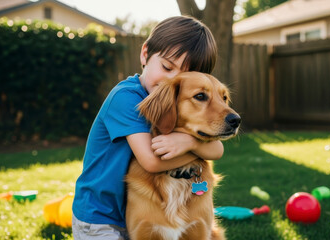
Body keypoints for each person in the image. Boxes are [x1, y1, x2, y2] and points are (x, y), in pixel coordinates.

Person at [72, 16, 222, 239]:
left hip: (131, 212)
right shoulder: (125, 98)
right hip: (99, 217)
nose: (172, 80)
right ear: (145, 54)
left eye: (184, 76)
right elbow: (151, 161)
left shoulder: (171, 103)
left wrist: (189, 141)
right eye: (167, 67)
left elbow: (218, 150)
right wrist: (195, 146)